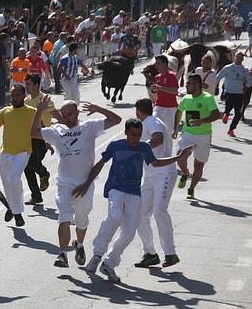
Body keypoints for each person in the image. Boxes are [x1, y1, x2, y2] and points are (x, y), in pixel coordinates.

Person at [79, 118, 193, 282]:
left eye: (139, 135)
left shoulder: (144, 147)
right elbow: (100, 163)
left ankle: (109, 263)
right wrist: (86, 183)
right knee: (115, 217)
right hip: (115, 189)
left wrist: (178, 158)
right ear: (126, 133)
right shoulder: (115, 146)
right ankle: (97, 254)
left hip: (134, 193)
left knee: (130, 231)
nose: (135, 139)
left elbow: (154, 162)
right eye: (132, 135)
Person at [31, 97, 121, 268]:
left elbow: (116, 120)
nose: (67, 118)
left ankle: (79, 244)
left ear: (77, 113)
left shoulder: (89, 127)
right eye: (64, 115)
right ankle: (62, 254)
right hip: (65, 181)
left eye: (70, 115)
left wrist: (99, 108)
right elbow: (34, 133)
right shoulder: (57, 130)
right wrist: (39, 111)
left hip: (85, 182)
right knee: (64, 216)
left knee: (82, 219)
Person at [134, 98, 180, 269]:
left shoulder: (151, 121)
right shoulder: (150, 121)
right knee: (139, 214)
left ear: (138, 111)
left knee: (160, 211)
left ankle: (170, 253)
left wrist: (139, 148)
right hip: (150, 175)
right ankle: (150, 254)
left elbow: (158, 138)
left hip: (164, 173)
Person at [0, 84, 35, 227]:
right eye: (12, 95)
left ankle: (17, 213)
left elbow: (41, 129)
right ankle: (11, 207)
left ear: (24, 96)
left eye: (17, 95)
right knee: (7, 183)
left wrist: (48, 143)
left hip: (23, 152)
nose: (14, 98)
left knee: (14, 178)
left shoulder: (32, 112)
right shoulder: (5, 111)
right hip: (6, 152)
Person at [173, 74, 221, 199]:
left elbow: (216, 115)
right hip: (187, 134)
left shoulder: (207, 98)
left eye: (189, 83)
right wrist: (175, 129)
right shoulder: (186, 98)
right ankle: (185, 173)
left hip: (203, 136)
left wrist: (202, 121)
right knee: (179, 156)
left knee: (198, 165)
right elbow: (178, 111)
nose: (186, 85)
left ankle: (191, 188)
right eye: (187, 83)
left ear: (197, 85)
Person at [23, 74, 62, 206]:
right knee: (26, 167)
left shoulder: (44, 99)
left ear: (35, 85)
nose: (27, 87)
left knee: (32, 162)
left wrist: (69, 125)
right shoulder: (26, 101)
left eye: (29, 84)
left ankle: (43, 172)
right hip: (29, 137)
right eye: (26, 84)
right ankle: (36, 196)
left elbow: (56, 115)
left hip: (42, 138)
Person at [216, 52, 252, 137]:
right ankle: (227, 114)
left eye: (241, 57)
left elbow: (249, 82)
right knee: (229, 104)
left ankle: (231, 129)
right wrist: (215, 85)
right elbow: (218, 76)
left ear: (243, 59)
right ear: (235, 57)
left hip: (239, 93)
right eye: (237, 57)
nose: (239, 59)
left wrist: (247, 84)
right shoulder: (228, 68)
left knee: (238, 114)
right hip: (229, 92)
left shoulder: (244, 69)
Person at [150, 55, 179, 136]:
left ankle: (167, 148)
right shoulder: (157, 77)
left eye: (158, 63)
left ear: (165, 64)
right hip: (158, 106)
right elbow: (158, 91)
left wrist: (159, 87)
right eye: (156, 64)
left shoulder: (171, 75)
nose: (156, 66)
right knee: (155, 128)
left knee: (167, 133)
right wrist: (154, 90)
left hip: (170, 108)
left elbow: (175, 91)